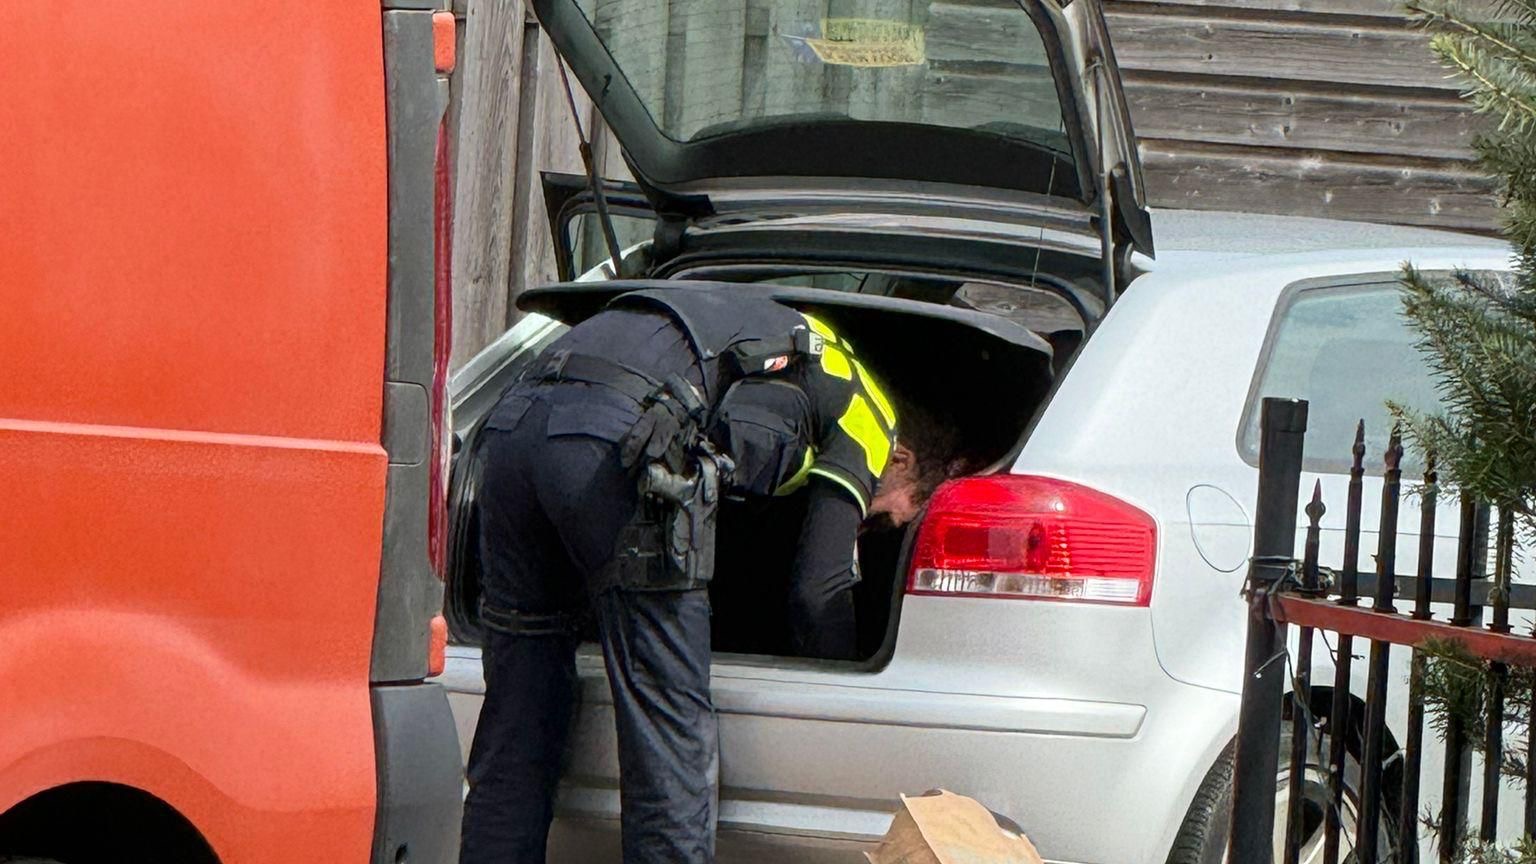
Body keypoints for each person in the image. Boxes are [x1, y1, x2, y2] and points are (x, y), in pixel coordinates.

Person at [458, 285, 931, 864]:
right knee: (667, 728)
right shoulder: (871, 412)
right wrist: (833, 698)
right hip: (617, 438)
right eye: (893, 516)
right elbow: (819, 587)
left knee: (517, 713)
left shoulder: (771, 337)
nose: (878, 526)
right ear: (903, 463)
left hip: (512, 426)